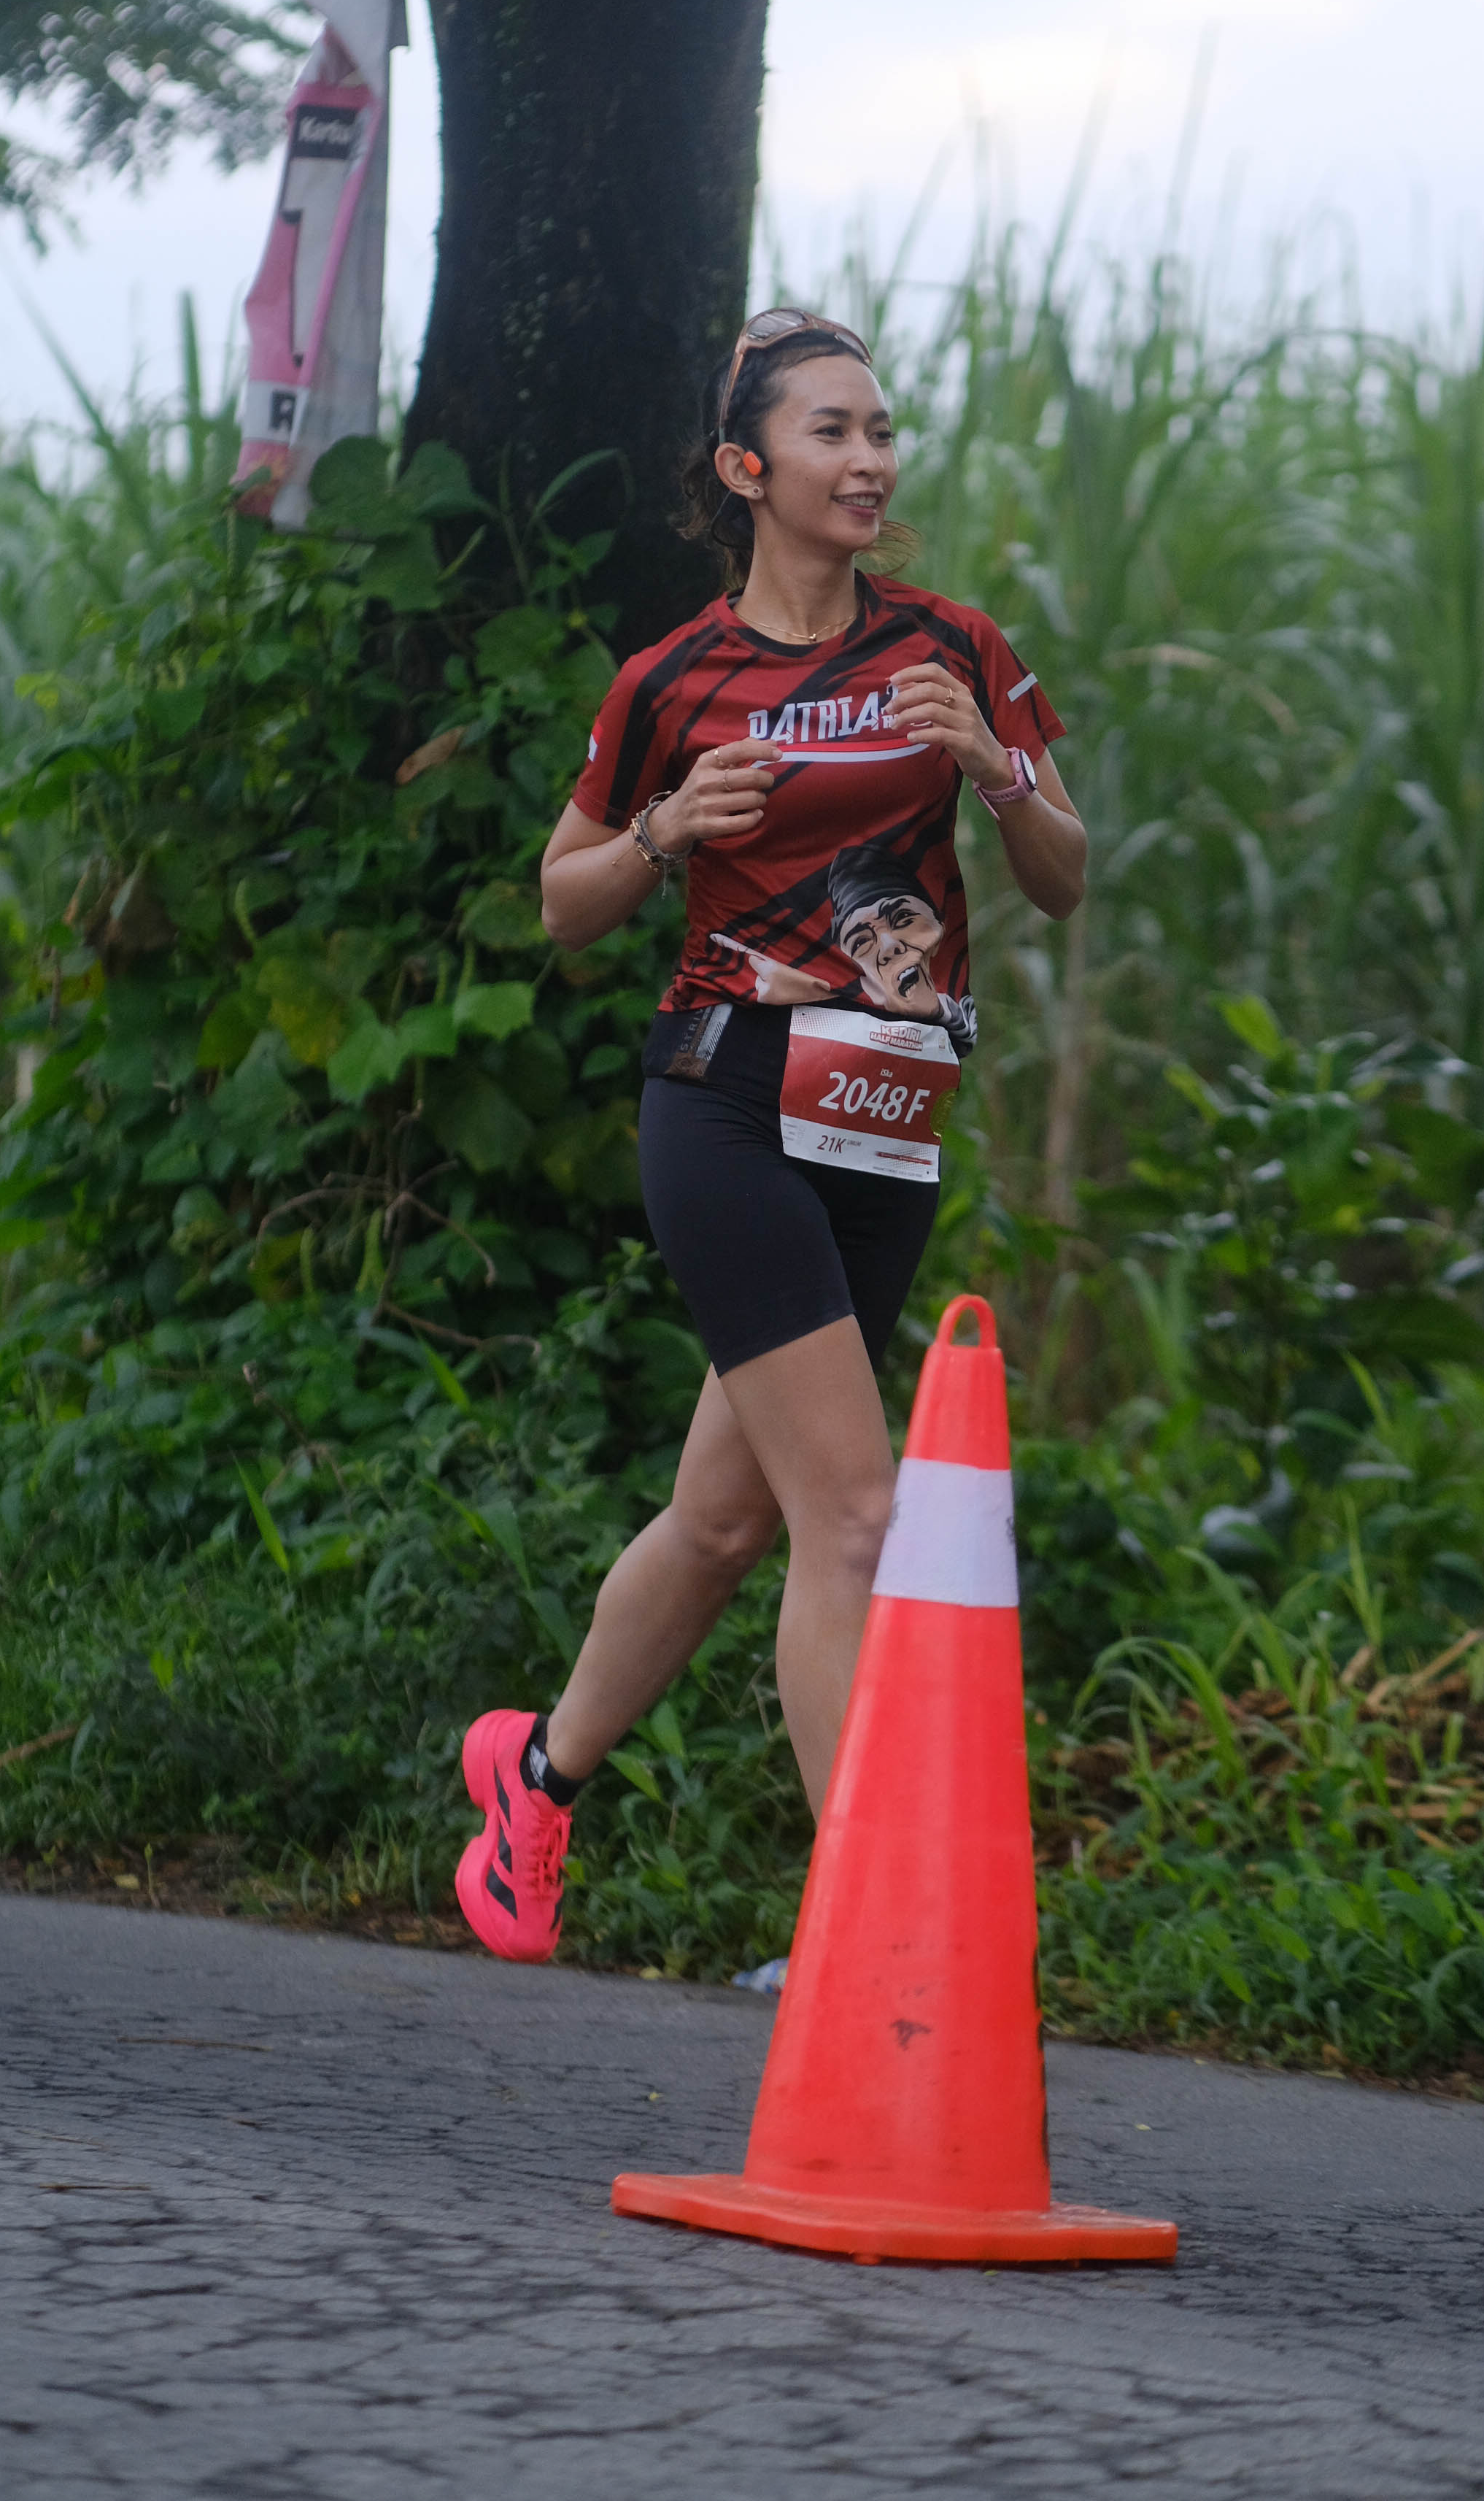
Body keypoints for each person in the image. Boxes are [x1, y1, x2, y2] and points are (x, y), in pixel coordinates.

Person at [452, 306, 1086, 1960]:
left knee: (727, 1520)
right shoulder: (672, 679)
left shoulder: (953, 645)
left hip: (884, 1115)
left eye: (882, 432)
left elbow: (1064, 877)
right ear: (746, 469)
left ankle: (534, 1779)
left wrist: (997, 774)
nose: (871, 461)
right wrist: (664, 829)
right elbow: (562, 902)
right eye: (832, 434)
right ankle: (880, 1938)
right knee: (852, 1517)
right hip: (727, 1096)